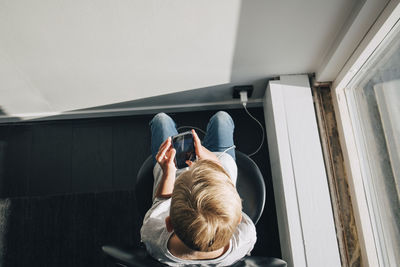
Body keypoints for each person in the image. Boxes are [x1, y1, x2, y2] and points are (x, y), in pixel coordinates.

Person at [140, 111, 257, 266]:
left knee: (161, 120)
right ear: (238, 220)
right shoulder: (245, 237)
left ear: (169, 224)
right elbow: (230, 197)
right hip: (218, 166)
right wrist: (214, 163)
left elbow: (162, 201)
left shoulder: (152, 236)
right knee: (222, 119)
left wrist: (169, 172)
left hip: (174, 168)